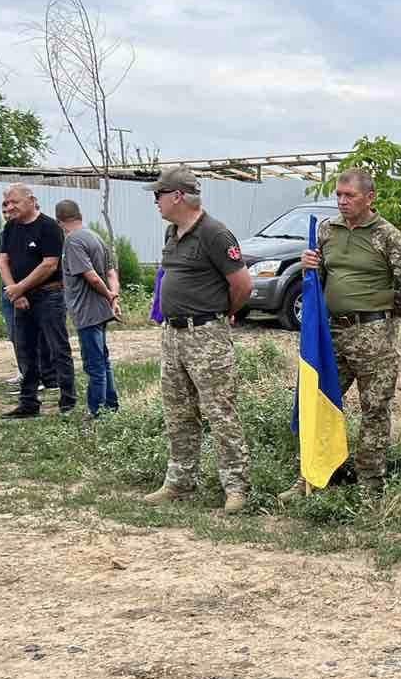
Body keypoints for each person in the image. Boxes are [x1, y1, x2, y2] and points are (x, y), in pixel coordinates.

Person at [287, 166, 401, 499]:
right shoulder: (326, 232)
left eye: (350, 195)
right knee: (318, 404)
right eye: (339, 195)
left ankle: (369, 485)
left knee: (375, 409)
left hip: (374, 335)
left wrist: (382, 307)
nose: (342, 201)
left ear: (370, 197)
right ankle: (312, 477)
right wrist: (309, 267)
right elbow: (318, 282)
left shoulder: (388, 235)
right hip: (331, 333)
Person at [144, 165, 253, 514]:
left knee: (220, 411)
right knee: (178, 413)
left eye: (158, 195)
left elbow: (243, 286)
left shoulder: (215, 234)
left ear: (178, 196)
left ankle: (236, 487)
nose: (155, 202)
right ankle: (180, 481)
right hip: (173, 336)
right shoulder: (171, 233)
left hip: (206, 336)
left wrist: (220, 316)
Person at [0, 184, 76, 417]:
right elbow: (3, 261)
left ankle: (68, 401)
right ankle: (29, 402)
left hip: (49, 296)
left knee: (57, 348)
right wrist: (17, 292)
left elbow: (49, 264)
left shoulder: (49, 227)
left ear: (31, 200)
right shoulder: (10, 227)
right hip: (21, 299)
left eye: (15, 202)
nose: (10, 207)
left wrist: (20, 288)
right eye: (7, 203)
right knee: (25, 349)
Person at [55, 199, 121, 417]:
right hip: (101, 309)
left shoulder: (73, 241)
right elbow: (111, 272)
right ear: (79, 215)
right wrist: (113, 297)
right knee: (103, 360)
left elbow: (91, 277)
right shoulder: (95, 236)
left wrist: (108, 294)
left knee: (94, 365)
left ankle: (96, 412)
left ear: (59, 222)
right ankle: (111, 406)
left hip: (87, 311)